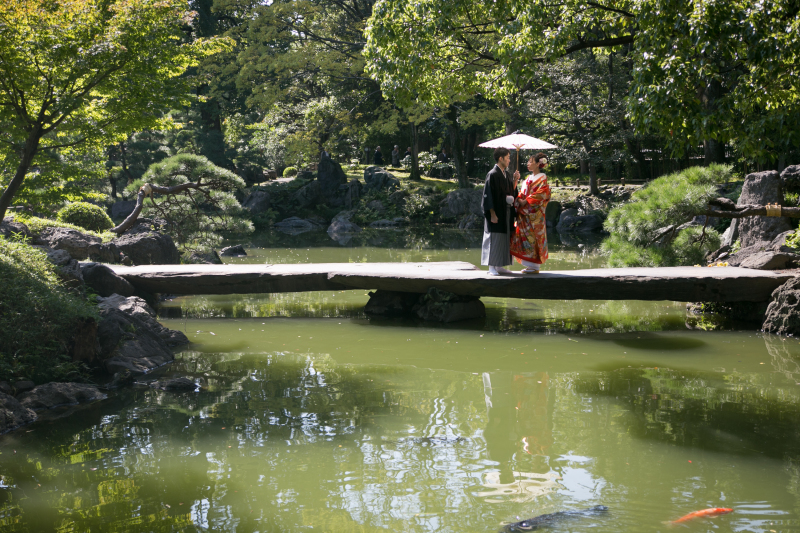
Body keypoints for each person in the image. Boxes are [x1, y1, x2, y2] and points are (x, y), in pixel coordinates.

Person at [481, 147, 520, 275]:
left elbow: (510, 191)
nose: (509, 160)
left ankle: (499, 265)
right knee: (494, 237)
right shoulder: (492, 174)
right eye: (507, 158)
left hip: (506, 211)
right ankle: (491, 266)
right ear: (500, 158)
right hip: (496, 212)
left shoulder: (506, 174)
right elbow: (488, 195)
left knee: (504, 238)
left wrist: (515, 180)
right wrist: (492, 214)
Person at [510, 153, 551, 274]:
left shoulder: (542, 177)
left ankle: (535, 266)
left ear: (538, 164)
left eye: (531, 162)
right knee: (525, 237)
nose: (528, 164)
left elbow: (543, 193)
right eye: (528, 162)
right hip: (524, 214)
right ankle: (530, 265)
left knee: (535, 237)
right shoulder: (528, 178)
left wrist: (526, 201)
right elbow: (522, 192)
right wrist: (519, 199)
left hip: (535, 214)